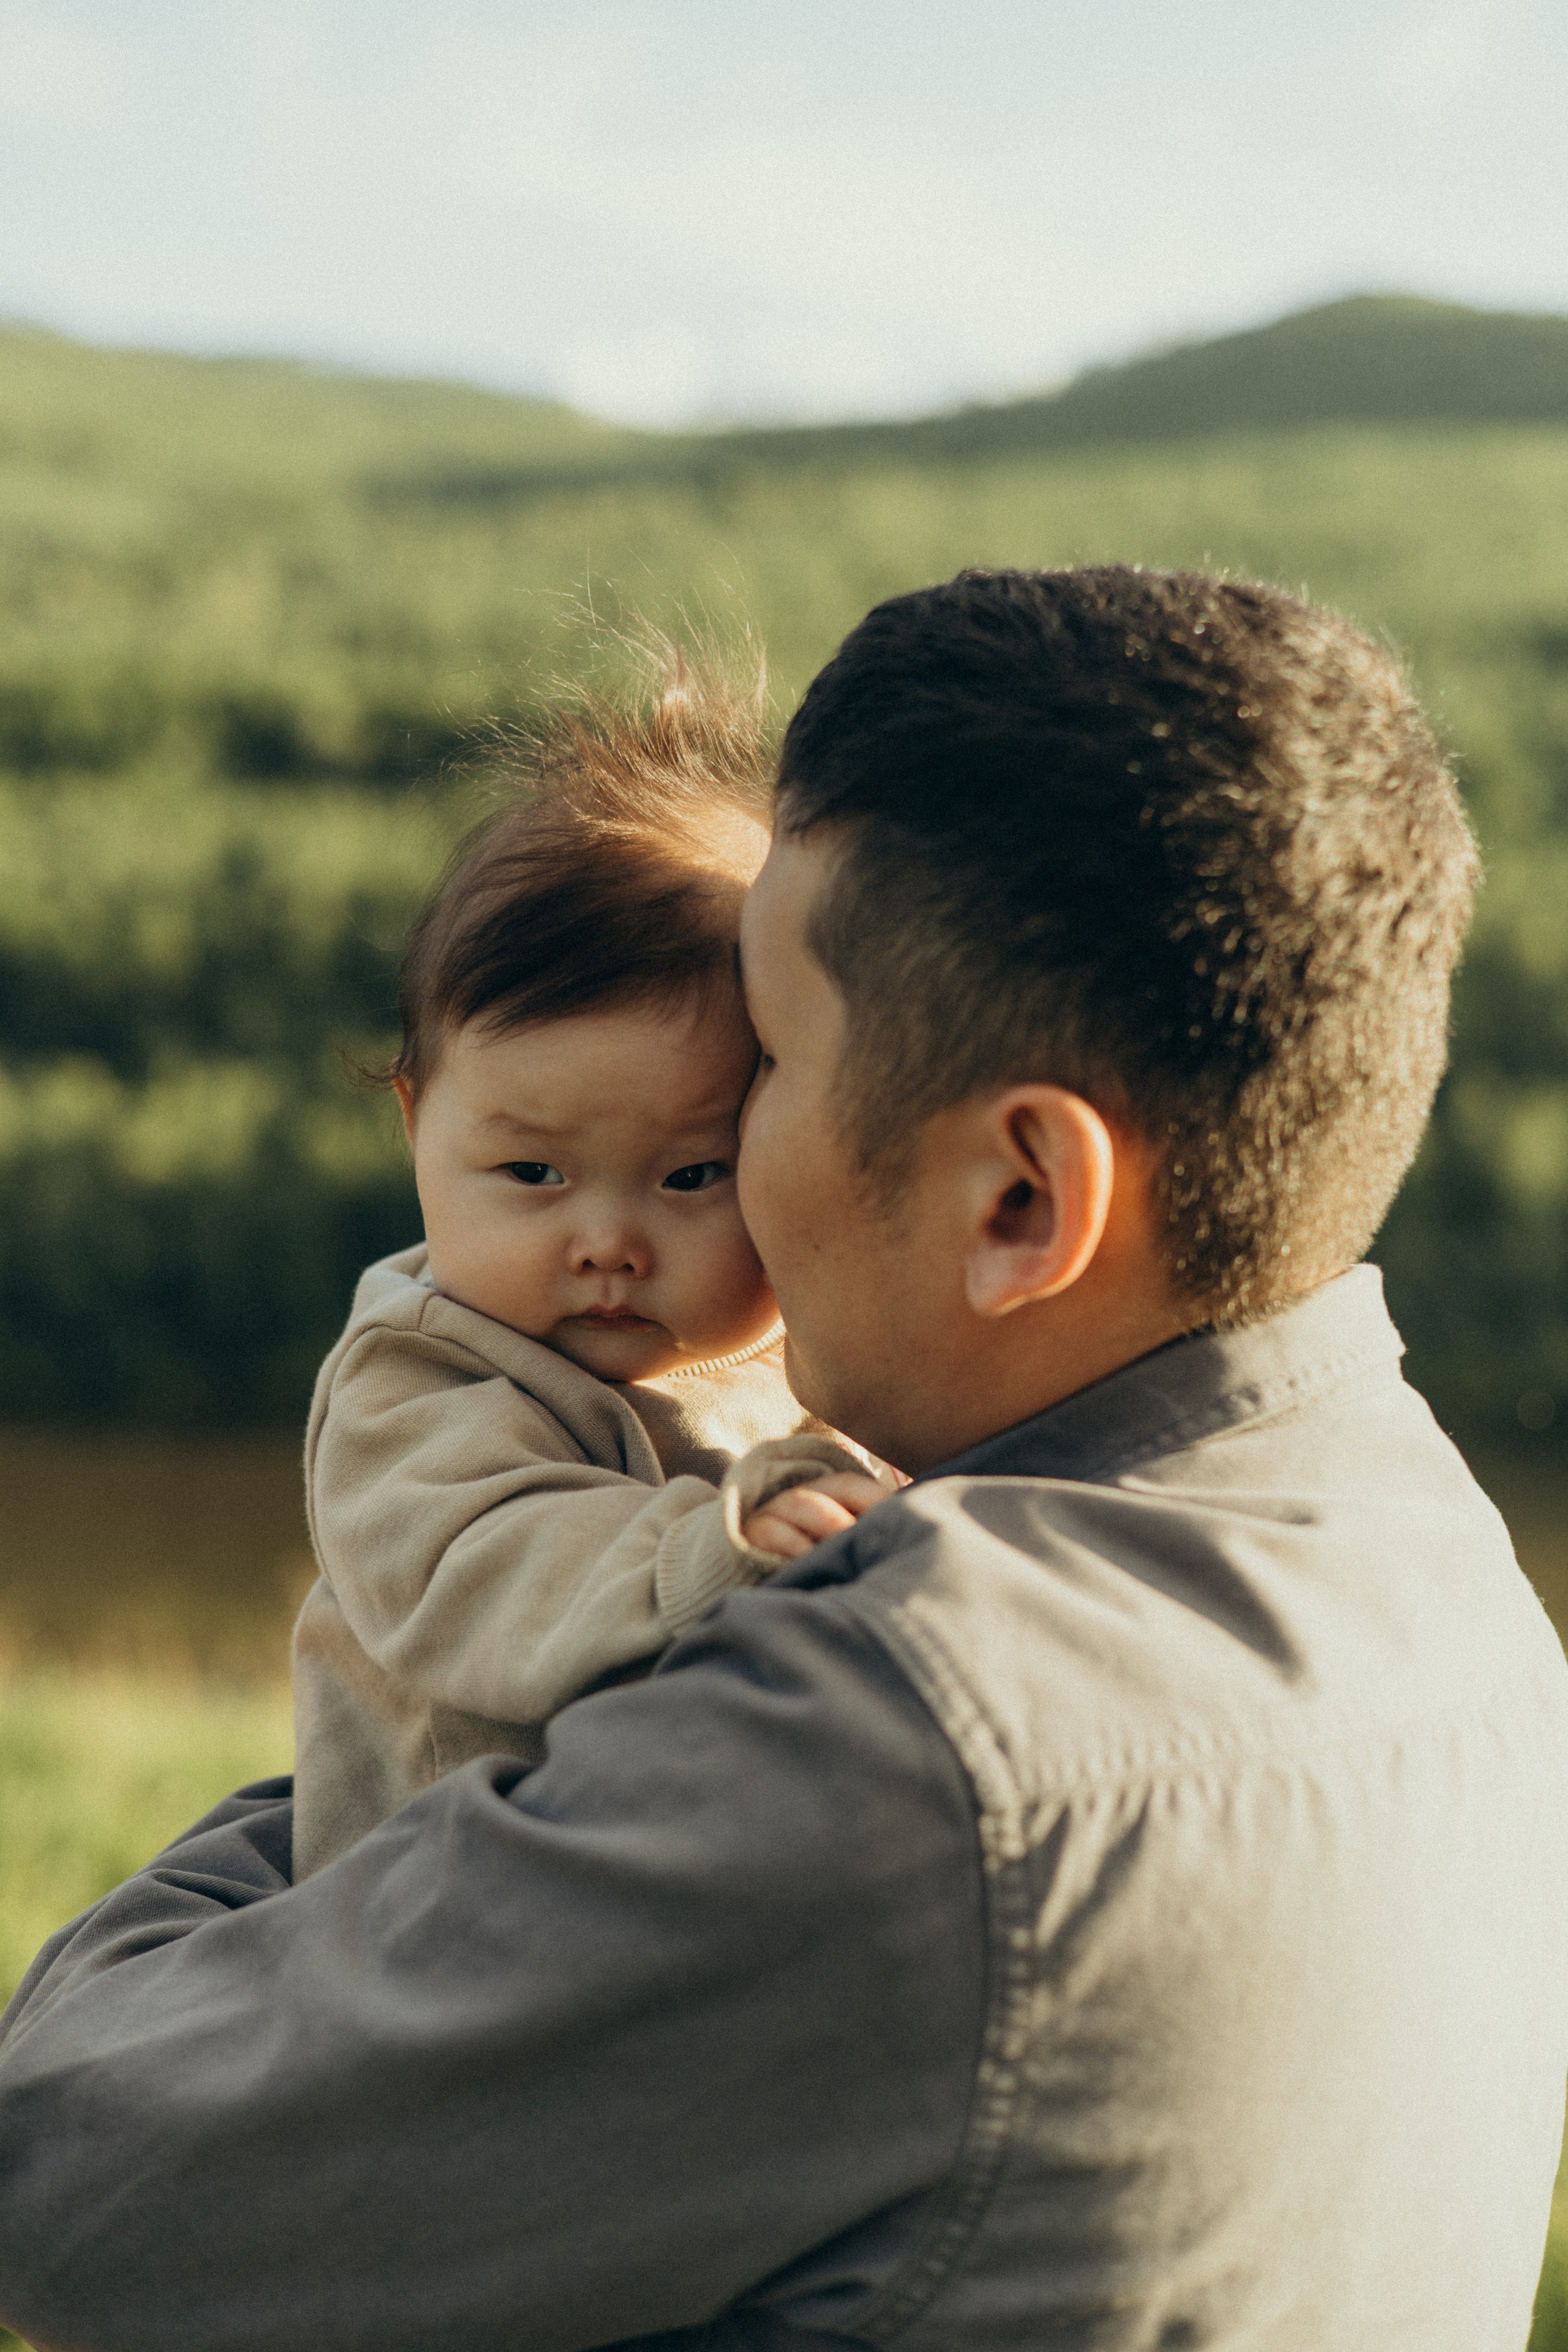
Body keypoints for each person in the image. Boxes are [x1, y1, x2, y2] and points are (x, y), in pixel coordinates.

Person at [3, 565, 1567, 2352]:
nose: (717, 1165)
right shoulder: (1444, 1567)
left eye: (767, 1065)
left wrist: (332, 1820)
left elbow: (73, 2174)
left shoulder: (897, 1748)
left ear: (1019, 1196)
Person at [292, 669, 886, 1878]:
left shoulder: (810, 1336)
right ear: (416, 1125)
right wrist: (710, 1548)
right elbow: (481, 1566)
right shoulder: (419, 1381)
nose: (606, 1242)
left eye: (688, 1179)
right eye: (530, 1174)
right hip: (431, 1912)